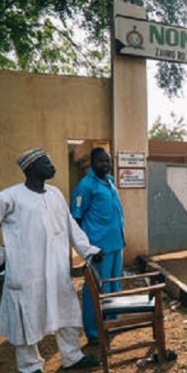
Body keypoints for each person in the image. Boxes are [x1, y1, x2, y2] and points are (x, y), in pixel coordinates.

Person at [0, 148, 103, 373]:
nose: (52, 166)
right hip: (26, 272)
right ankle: (30, 367)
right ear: (31, 168)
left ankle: (72, 356)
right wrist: (0, 256)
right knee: (27, 316)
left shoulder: (55, 194)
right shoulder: (7, 197)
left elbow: (70, 224)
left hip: (57, 268)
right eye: (46, 162)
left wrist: (89, 250)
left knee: (67, 310)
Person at [70, 147, 125, 346]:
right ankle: (94, 332)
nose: (105, 165)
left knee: (113, 286)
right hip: (98, 249)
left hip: (116, 245)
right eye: (101, 161)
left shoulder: (110, 182)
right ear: (92, 163)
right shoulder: (85, 186)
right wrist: (87, 248)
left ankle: (111, 324)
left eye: (107, 161)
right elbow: (75, 219)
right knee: (94, 289)